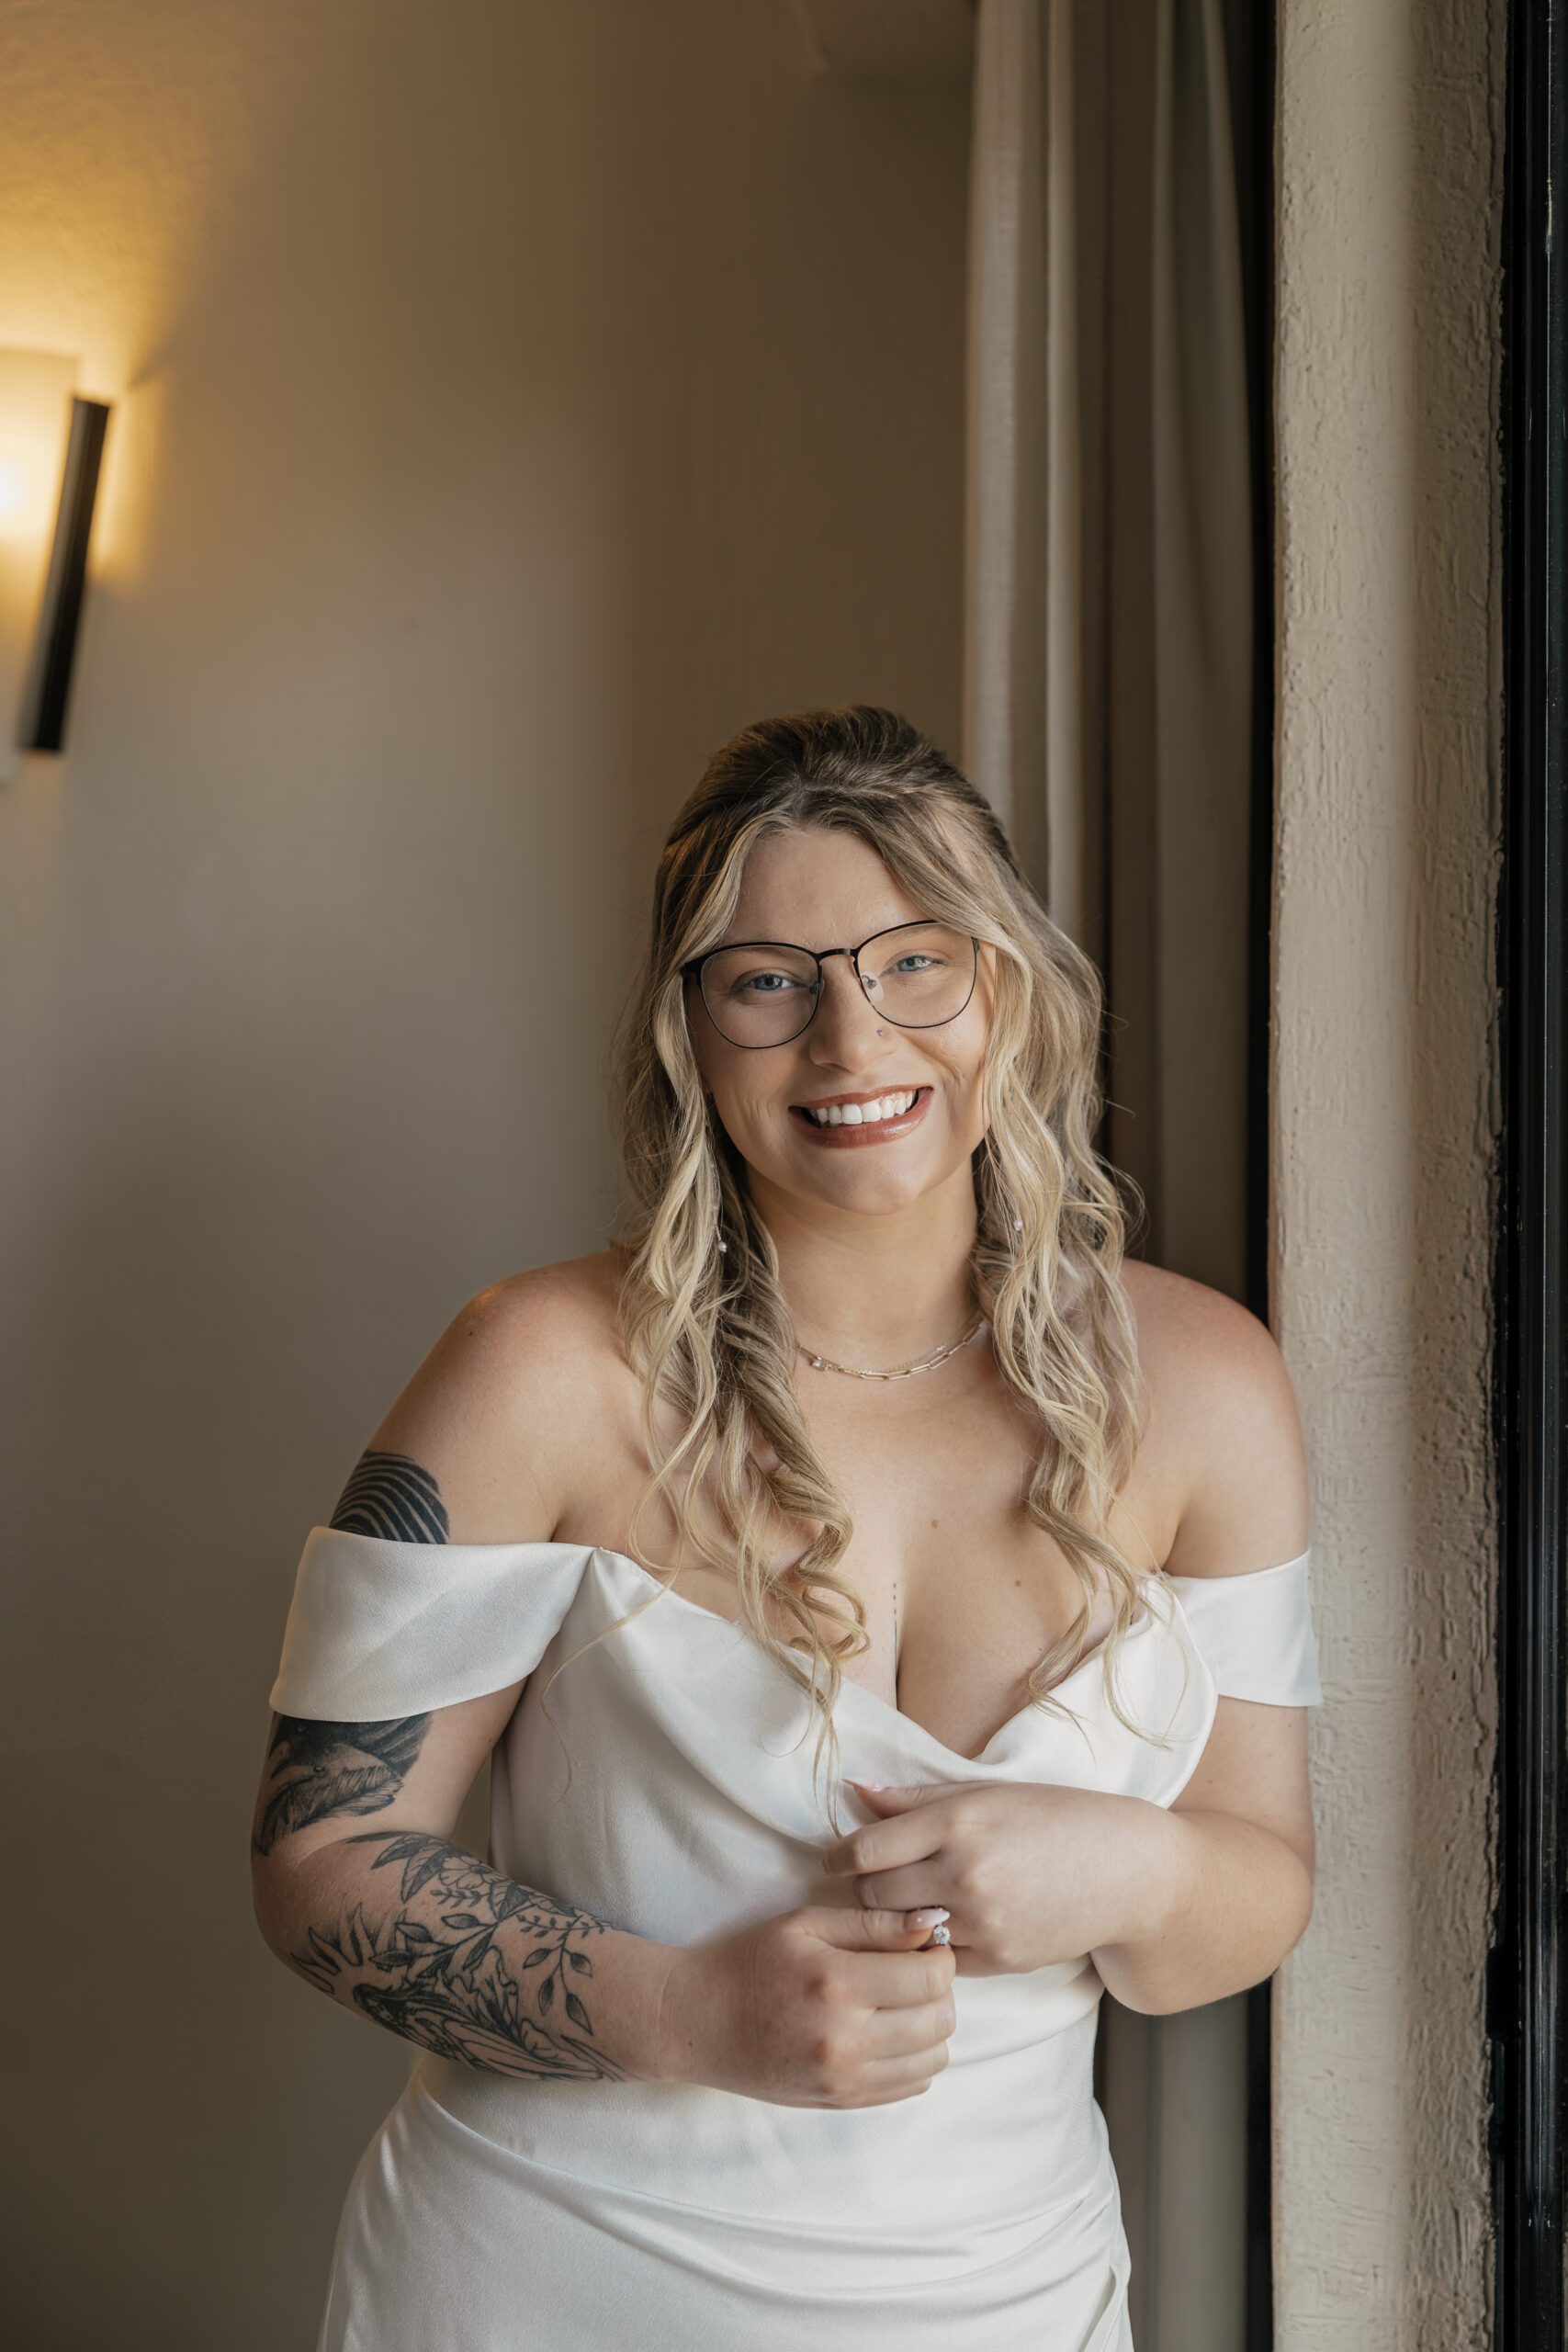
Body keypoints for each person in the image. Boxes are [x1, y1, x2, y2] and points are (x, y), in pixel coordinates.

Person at [253, 707, 1319, 2351]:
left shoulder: (1208, 1386)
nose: (849, 1040)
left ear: (1007, 990)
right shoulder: (541, 1368)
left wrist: (1141, 1865)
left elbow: (1247, 1901)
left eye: (914, 962)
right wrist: (685, 2010)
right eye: (769, 980)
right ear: (690, 1031)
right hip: (544, 2281)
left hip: (1006, 2300)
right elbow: (316, 1863)